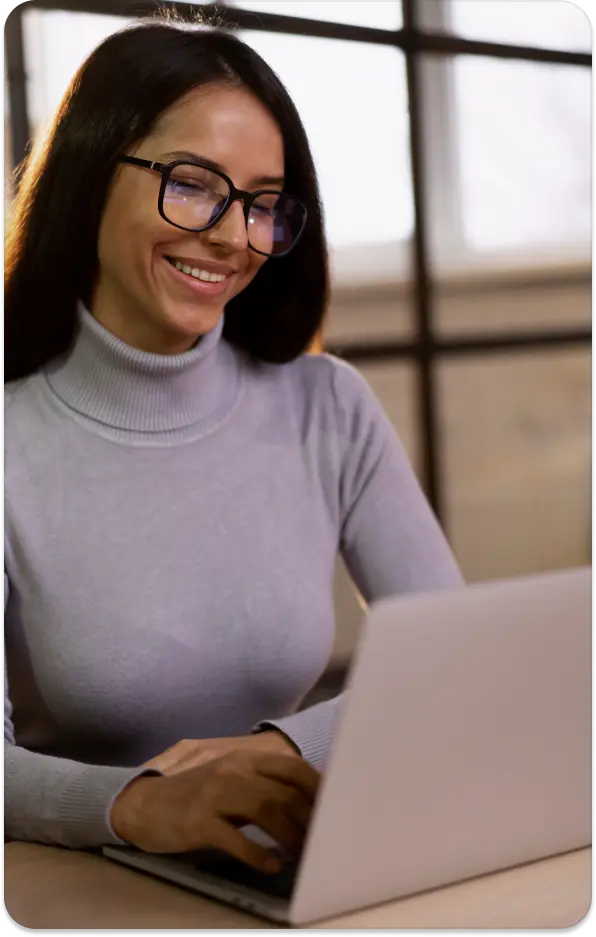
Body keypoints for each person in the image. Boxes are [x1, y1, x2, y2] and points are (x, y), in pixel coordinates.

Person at [3, 19, 463, 874]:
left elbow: (452, 660)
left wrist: (279, 753)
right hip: (74, 885)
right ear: (89, 172)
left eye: (262, 202)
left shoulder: (327, 404)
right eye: (192, 184)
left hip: (290, 862)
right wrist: (137, 802)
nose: (232, 236)